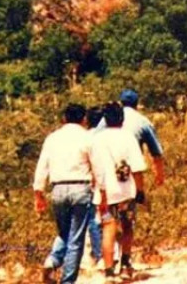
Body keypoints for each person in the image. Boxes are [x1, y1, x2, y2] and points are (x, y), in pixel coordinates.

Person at [33, 103, 96, 284]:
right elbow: (97, 166)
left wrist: (38, 193)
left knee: (64, 232)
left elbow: (42, 166)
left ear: (64, 118)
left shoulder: (52, 138)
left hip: (58, 189)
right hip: (80, 188)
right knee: (76, 239)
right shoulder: (87, 138)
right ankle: (67, 281)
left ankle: (52, 261)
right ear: (84, 119)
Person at [92, 101, 147, 278]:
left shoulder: (98, 139)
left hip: (106, 192)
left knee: (109, 229)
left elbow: (96, 168)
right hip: (126, 191)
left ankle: (109, 271)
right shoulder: (128, 137)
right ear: (122, 119)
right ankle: (125, 263)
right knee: (127, 226)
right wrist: (140, 190)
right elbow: (137, 167)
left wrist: (100, 190)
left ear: (105, 119)